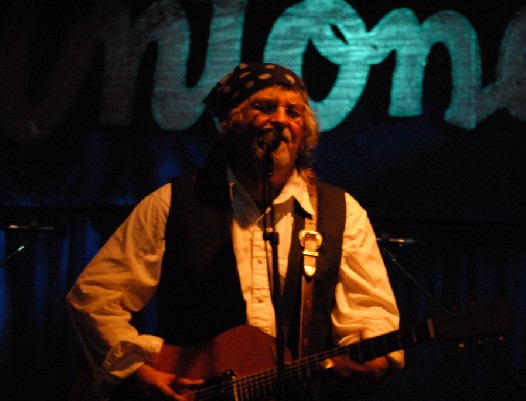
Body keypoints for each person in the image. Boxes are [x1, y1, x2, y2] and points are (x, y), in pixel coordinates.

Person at [66, 62, 403, 401]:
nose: (281, 120)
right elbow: (94, 296)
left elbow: (370, 309)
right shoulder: (175, 202)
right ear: (231, 122)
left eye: (294, 112)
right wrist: (139, 372)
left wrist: (373, 354)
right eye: (265, 107)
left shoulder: (340, 212)